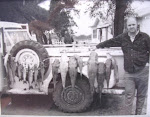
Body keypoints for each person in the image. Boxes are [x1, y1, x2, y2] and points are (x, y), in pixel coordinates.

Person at [92, 16, 150, 115]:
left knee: (141, 96)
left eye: (133, 25)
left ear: (137, 25)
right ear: (127, 27)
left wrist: (147, 63)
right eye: (129, 25)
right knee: (128, 96)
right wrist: (97, 46)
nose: (131, 27)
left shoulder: (145, 37)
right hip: (129, 73)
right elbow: (111, 41)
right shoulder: (123, 37)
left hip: (143, 71)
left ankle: (138, 114)